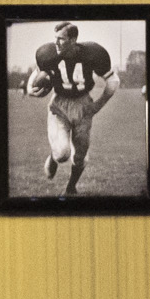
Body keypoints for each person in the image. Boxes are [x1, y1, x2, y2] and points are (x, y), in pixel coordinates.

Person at [30, 21, 117, 196]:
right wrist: (31, 89)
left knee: (80, 156)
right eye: (55, 38)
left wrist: (97, 106)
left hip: (83, 104)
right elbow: (36, 75)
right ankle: (54, 155)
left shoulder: (93, 52)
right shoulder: (47, 53)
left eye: (61, 39)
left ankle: (71, 187)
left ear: (73, 39)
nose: (56, 43)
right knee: (62, 154)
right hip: (59, 104)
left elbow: (113, 81)